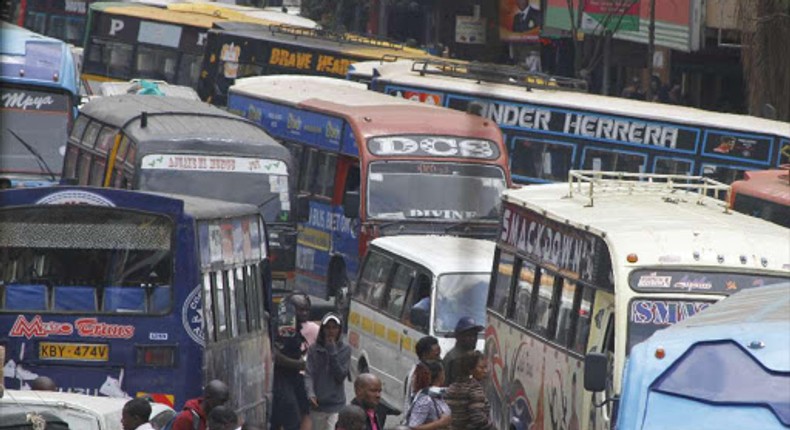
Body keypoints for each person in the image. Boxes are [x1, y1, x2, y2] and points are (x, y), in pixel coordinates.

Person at [271, 293, 313, 430]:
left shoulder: (296, 326)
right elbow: (275, 355)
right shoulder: (284, 327)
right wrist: (299, 364)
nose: (304, 313)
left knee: (304, 410)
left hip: (294, 377)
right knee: (291, 418)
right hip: (281, 378)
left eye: (306, 309)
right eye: (300, 310)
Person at [305, 313, 352, 430]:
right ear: (323, 329)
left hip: (336, 404)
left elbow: (340, 375)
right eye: (328, 327)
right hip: (318, 404)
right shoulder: (314, 349)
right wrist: (310, 393)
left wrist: (332, 352)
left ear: (339, 330)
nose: (331, 331)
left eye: (334, 328)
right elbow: (309, 373)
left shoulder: (345, 350)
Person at [444, 351, 495, 430]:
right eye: (481, 367)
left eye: (486, 367)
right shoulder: (474, 388)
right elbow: (478, 419)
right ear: (470, 369)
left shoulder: (452, 387)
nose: (485, 371)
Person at [404, 361, 451, 430]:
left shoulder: (438, 394)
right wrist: (440, 423)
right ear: (440, 375)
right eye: (443, 372)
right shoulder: (425, 399)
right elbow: (412, 427)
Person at [403, 336, 441, 413]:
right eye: (436, 355)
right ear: (425, 354)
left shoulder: (436, 369)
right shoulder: (418, 375)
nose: (439, 358)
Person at [442, 317, 483, 385]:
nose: (473, 338)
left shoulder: (471, 356)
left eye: (475, 335)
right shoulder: (454, 359)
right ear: (459, 337)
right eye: (469, 335)